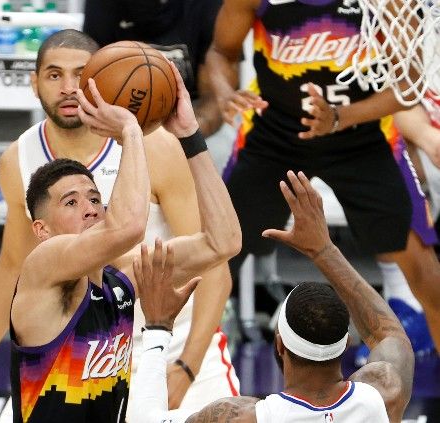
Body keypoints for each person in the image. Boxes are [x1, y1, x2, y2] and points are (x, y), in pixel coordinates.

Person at [0, 29, 239, 421]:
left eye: (79, 74)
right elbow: (12, 267)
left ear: (97, 81)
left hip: (171, 338)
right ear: (34, 83)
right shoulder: (18, 160)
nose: (68, 88)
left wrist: (187, 367)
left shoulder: (156, 150)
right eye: (54, 75)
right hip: (75, 348)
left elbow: (217, 260)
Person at [205, 0, 440, 348]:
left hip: (361, 134)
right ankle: (186, 368)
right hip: (274, 134)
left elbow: (408, 88)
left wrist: (339, 117)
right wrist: (225, 93)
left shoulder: (382, 2)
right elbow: (220, 52)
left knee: (425, 272)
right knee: (218, 254)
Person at [130, 171, 413, 423]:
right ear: (346, 343)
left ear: (279, 344)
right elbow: (389, 334)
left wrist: (156, 328)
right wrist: (324, 251)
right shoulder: (383, 396)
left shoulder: (244, 417)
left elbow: (146, 419)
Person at [82, 0, 225, 136]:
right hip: (114, 120)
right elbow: (88, 79)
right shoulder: (102, 4)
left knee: (221, 150)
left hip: (188, 114)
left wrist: (188, 134)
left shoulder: (208, 4)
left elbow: (216, 98)